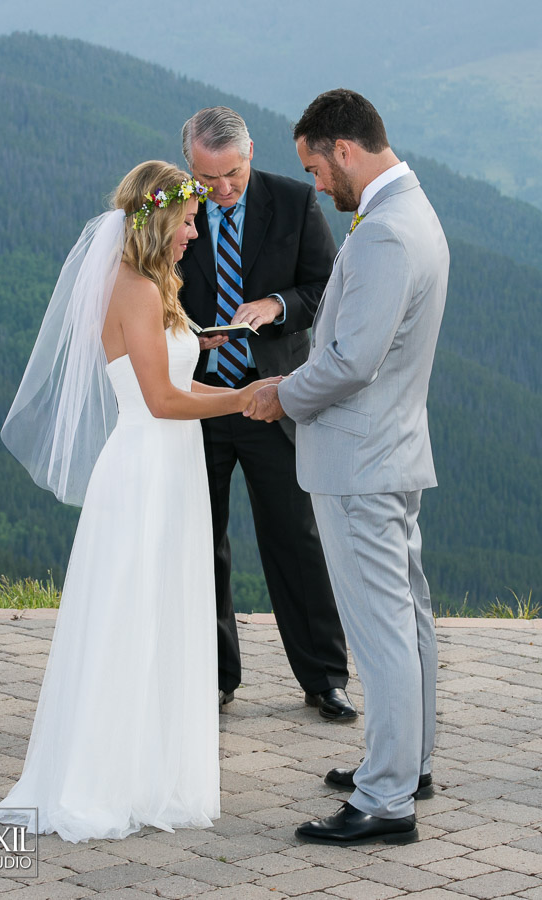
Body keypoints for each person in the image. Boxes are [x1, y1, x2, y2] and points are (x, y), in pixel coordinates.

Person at [0, 161, 276, 843]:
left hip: (170, 465)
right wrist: (245, 397)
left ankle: (146, 769)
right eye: (189, 221)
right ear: (160, 217)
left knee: (161, 611)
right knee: (131, 614)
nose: (195, 233)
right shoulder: (136, 288)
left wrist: (225, 378)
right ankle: (104, 777)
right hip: (146, 468)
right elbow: (161, 401)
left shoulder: (153, 285)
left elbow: (176, 385)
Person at [246, 89, 449, 845]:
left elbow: (352, 361)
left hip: (360, 460)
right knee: (408, 618)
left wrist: (280, 393)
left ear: (345, 149)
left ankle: (387, 800)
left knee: (382, 631)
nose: (316, 183)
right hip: (390, 449)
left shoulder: (386, 231)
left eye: (315, 167)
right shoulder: (410, 211)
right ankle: (407, 763)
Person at [178, 107, 356, 720]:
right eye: (208, 179)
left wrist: (275, 305)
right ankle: (214, 678)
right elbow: (149, 287)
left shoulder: (295, 201)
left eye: (232, 173)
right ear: (189, 166)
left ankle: (324, 678)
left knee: (295, 539)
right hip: (196, 401)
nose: (222, 188)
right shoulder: (172, 208)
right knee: (200, 541)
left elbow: (327, 288)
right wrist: (187, 334)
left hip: (273, 399)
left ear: (250, 151)